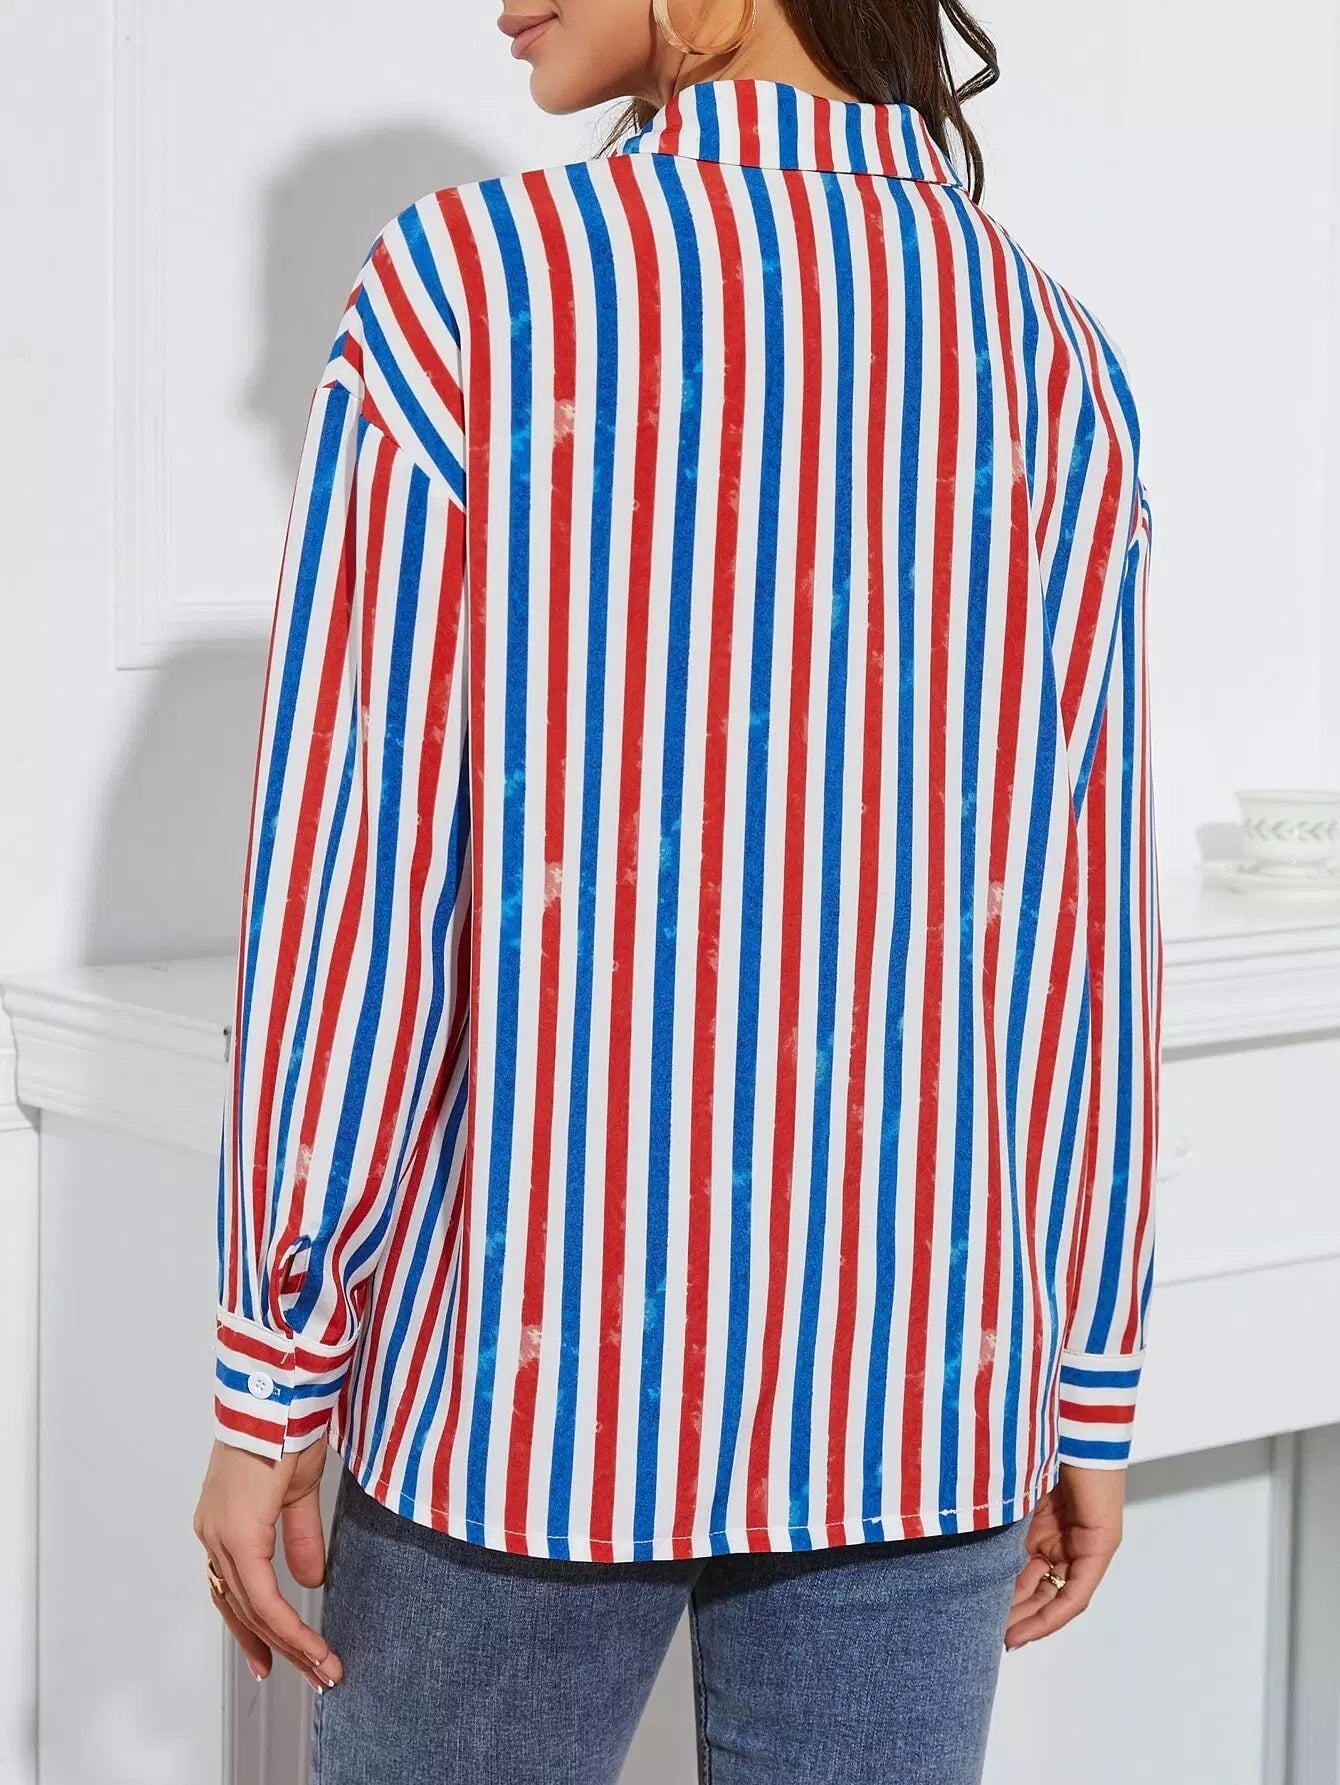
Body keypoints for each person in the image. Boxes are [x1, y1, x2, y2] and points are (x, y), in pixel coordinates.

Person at [194, 1, 1163, 1779]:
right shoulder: (1049, 351)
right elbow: (1077, 927)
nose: (500, 0)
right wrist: (1085, 1374)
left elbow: (355, 873)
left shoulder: (472, 287)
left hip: (519, 1394)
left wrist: (274, 1367)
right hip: (924, 1387)